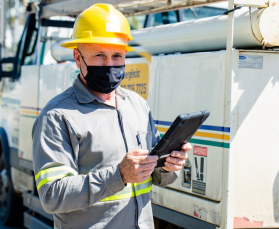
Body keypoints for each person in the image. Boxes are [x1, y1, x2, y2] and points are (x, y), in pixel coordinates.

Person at [32, 4, 191, 229]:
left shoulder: (137, 105)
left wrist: (168, 166)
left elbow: (156, 176)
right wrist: (118, 175)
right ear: (78, 58)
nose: (110, 65)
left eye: (117, 55)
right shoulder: (57, 116)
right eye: (99, 55)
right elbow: (52, 195)